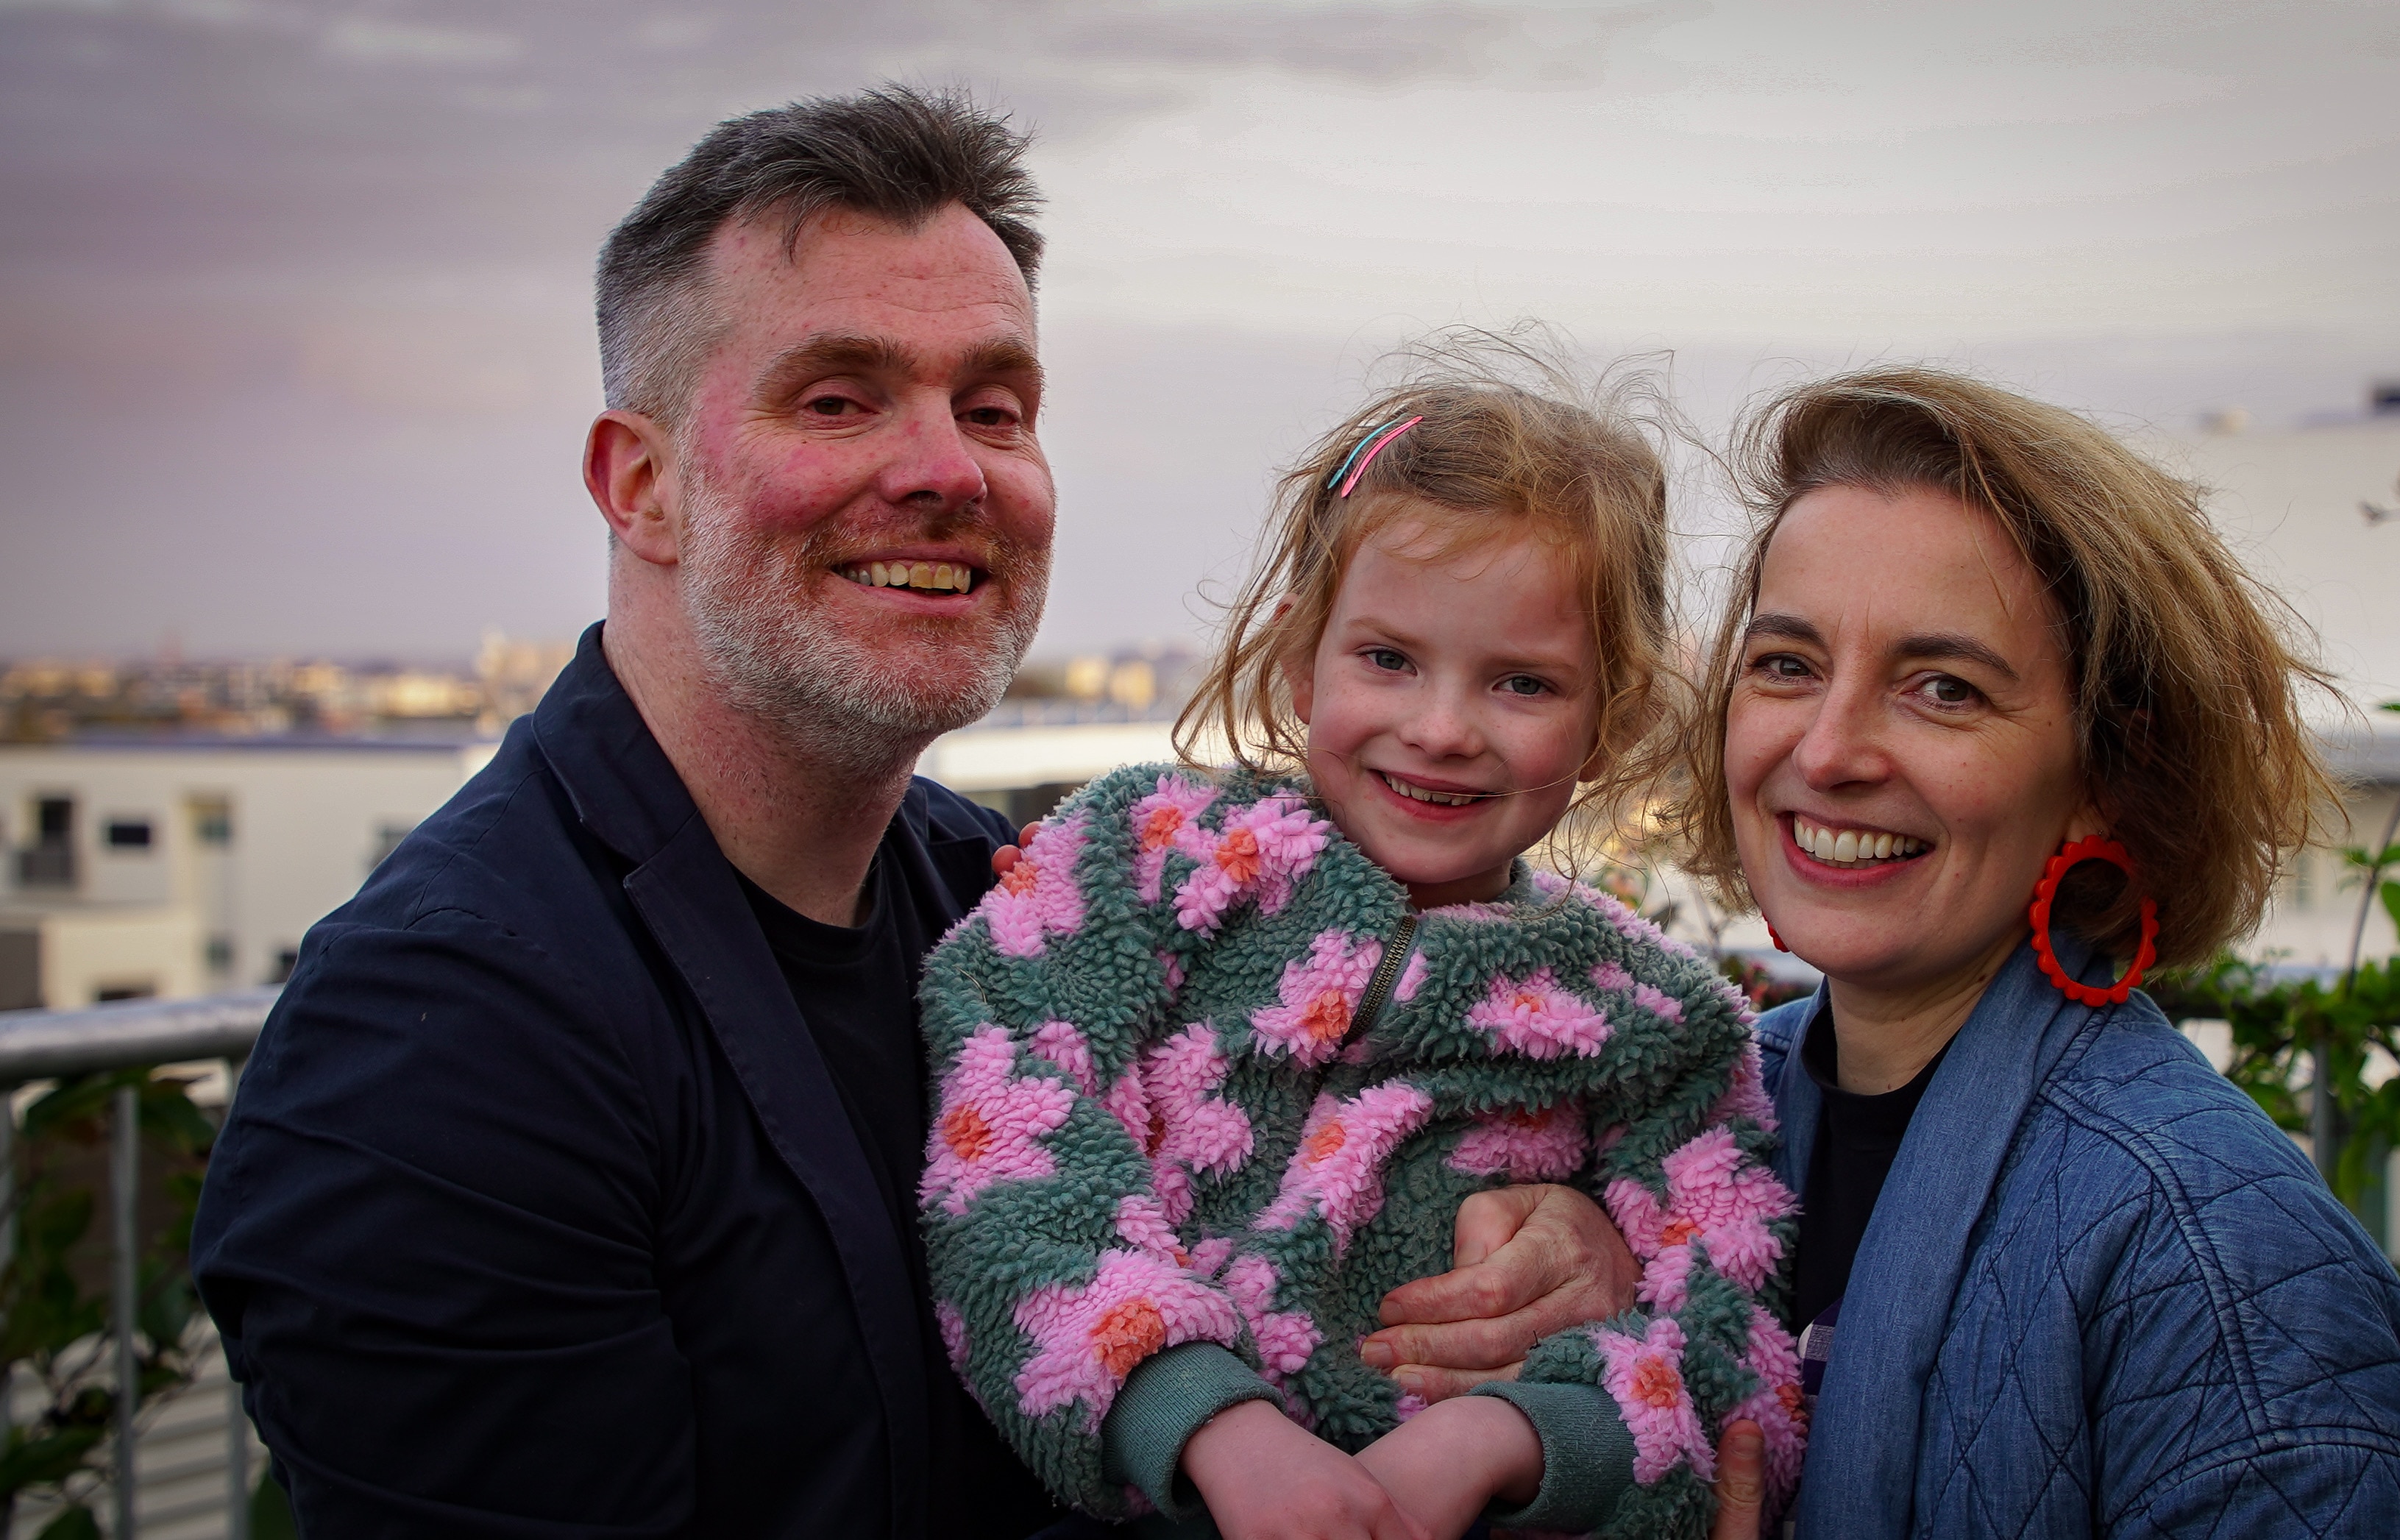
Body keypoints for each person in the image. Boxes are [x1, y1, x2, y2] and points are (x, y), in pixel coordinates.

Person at [185, 88, 1632, 1539]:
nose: (949, 469)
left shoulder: (1021, 902)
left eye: (992, 408)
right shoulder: (447, 1037)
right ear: (641, 485)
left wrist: (1562, 1238)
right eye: (838, 397)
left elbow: (1318, 1197)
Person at [917, 355, 1806, 1540]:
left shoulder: (1660, 1024)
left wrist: (1515, 1438)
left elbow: (1738, 1362)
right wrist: (1205, 1423)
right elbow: (1008, 1159)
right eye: (1387, 658)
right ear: (1300, 656)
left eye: (1522, 682)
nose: (1439, 729)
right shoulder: (1137, 867)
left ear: (1613, 718)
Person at [1672, 366, 2400, 1538]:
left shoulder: (2218, 1264)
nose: (1829, 746)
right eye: (1787, 664)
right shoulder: (1687, 1119)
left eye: (1942, 687)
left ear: (2104, 779)